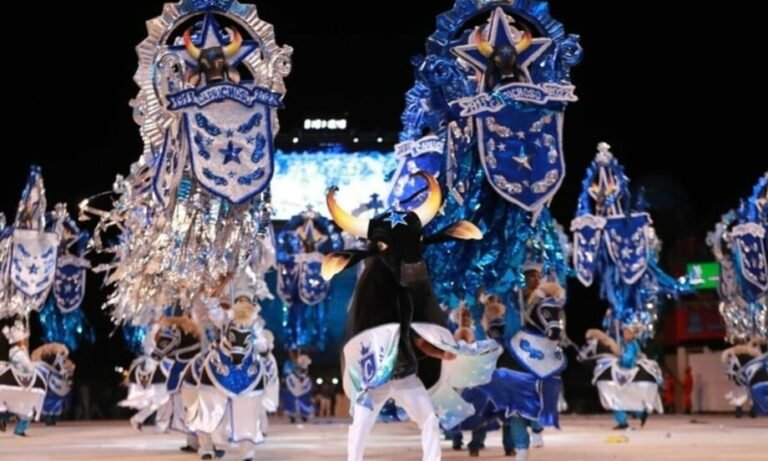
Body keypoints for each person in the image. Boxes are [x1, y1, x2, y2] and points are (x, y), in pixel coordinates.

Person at [613, 324, 647, 430]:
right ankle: (639, 414)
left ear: (633, 334)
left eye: (628, 332)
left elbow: (629, 360)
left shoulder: (633, 345)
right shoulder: (624, 344)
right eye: (624, 332)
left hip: (630, 375)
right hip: (624, 374)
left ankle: (628, 419)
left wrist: (620, 356)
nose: (625, 334)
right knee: (624, 398)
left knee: (619, 397)